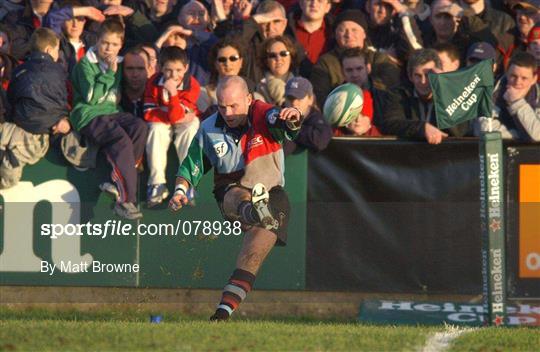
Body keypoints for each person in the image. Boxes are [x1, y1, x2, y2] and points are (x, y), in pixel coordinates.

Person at [168, 75, 303, 321]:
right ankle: (252, 210)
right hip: (232, 192)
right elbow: (192, 164)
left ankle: (222, 313)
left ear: (249, 99)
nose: (228, 112)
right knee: (238, 194)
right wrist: (179, 191)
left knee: (252, 256)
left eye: (234, 106)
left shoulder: (263, 114)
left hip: (273, 194)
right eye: (222, 106)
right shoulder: (208, 128)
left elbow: (282, 120)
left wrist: (292, 116)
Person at [70, 19, 148, 219]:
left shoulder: (120, 63)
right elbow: (91, 98)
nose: (108, 48)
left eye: (114, 44)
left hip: (113, 112)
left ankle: (114, 180)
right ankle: (126, 201)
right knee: (120, 140)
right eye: (105, 43)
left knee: (138, 127)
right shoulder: (85, 64)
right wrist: (109, 75)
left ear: (120, 45)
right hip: (89, 115)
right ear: (97, 40)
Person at [3, 28, 70, 188]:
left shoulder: (19, 71)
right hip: (43, 133)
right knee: (10, 163)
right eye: (57, 49)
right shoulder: (59, 71)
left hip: (19, 126)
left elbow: (10, 99)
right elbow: (62, 100)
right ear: (48, 50)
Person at [144, 46, 201, 207]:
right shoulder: (153, 82)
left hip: (183, 122)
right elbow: (149, 112)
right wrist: (169, 116)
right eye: (168, 70)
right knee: (155, 129)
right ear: (160, 68)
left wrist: (173, 94)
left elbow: (179, 116)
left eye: (178, 70)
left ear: (186, 68)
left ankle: (187, 183)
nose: (174, 75)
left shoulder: (192, 84)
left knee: (191, 127)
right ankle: (157, 184)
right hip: (165, 120)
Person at [376, 48, 470, 144]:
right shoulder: (398, 94)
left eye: (428, 75)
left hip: (445, 155)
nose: (423, 81)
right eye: (418, 75)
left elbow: (459, 132)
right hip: (409, 155)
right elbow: (390, 123)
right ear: (410, 76)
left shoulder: (456, 94)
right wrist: (421, 128)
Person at [480, 52, 540, 141]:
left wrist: (517, 102)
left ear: (534, 79)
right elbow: (485, 129)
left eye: (524, 78)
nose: (517, 82)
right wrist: (518, 136)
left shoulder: (538, 97)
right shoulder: (490, 92)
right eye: (513, 76)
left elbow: (538, 135)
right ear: (507, 73)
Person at [282, 77, 332, 155]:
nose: (294, 103)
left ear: (310, 99)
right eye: (290, 99)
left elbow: (320, 141)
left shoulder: (318, 120)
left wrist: (293, 128)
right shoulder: (278, 115)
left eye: (299, 98)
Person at [256, 35, 298, 106]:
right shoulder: (259, 89)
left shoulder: (301, 85)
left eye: (283, 54)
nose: (278, 58)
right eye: (272, 55)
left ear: (291, 57)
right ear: (266, 61)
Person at [121, 45, 151, 118]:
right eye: (130, 69)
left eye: (140, 69)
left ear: (149, 69)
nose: (135, 74)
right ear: (122, 69)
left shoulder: (157, 97)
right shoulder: (112, 96)